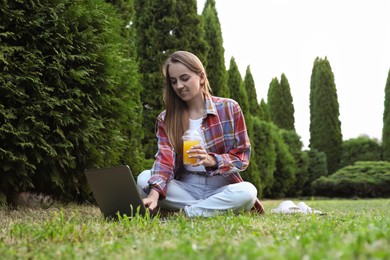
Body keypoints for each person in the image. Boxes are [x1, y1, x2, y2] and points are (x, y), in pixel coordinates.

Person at [137, 50, 265, 217]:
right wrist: (154, 195)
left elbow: (242, 157)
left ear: (202, 77)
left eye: (185, 78)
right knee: (143, 179)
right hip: (186, 187)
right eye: (174, 81)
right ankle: (210, 209)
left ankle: (184, 213)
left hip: (220, 186)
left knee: (247, 191)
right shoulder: (166, 118)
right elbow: (164, 160)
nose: (179, 86)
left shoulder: (229, 108)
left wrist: (210, 160)